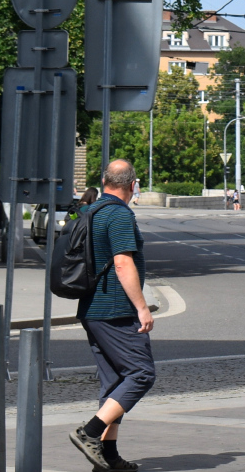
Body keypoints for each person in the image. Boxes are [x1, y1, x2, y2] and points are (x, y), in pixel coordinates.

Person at [69, 159, 155, 472]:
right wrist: (142, 306)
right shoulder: (118, 214)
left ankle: (107, 456)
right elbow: (122, 263)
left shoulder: (89, 210)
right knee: (141, 374)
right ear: (132, 185)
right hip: (115, 310)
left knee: (114, 383)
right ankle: (88, 432)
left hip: (91, 308)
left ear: (104, 181)